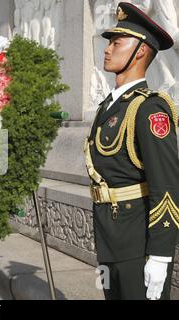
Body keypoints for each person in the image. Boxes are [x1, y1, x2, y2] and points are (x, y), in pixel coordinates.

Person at [86, 2, 178, 300]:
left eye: (117, 42)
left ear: (140, 51)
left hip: (138, 243)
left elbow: (167, 185)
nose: (108, 49)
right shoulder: (108, 107)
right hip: (108, 237)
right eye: (109, 42)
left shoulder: (149, 108)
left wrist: (161, 256)